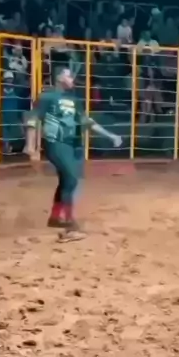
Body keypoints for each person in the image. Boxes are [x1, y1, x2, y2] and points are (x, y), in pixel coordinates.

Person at [24, 67, 122, 242]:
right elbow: (33, 120)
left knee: (66, 181)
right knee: (71, 180)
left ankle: (56, 217)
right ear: (59, 77)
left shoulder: (74, 100)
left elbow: (87, 122)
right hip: (55, 143)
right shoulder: (47, 97)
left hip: (71, 145)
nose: (72, 79)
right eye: (69, 76)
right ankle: (69, 226)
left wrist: (110, 135)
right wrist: (31, 147)